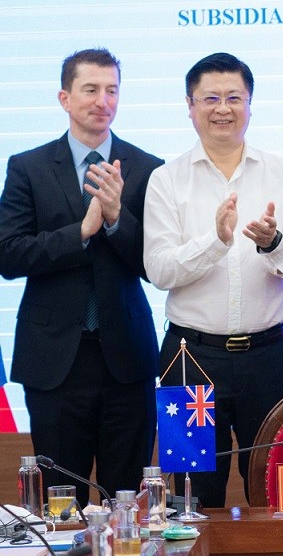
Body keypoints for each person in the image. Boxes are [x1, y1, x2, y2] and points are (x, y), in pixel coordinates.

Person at [143, 52, 283, 507]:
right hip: (191, 358)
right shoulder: (166, 179)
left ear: (250, 104)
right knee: (191, 498)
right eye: (211, 98)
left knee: (271, 487)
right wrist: (216, 242)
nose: (223, 108)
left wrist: (273, 241)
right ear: (190, 105)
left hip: (268, 358)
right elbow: (159, 270)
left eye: (234, 97)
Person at [0, 48, 162, 502]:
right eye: (90, 89)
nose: (102, 101)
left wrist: (115, 221)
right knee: (60, 501)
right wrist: (83, 232)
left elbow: (156, 262)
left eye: (112, 90)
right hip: (54, 361)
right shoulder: (28, 167)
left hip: (125, 360)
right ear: (64, 98)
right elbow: (8, 254)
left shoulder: (147, 168)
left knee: (124, 499)